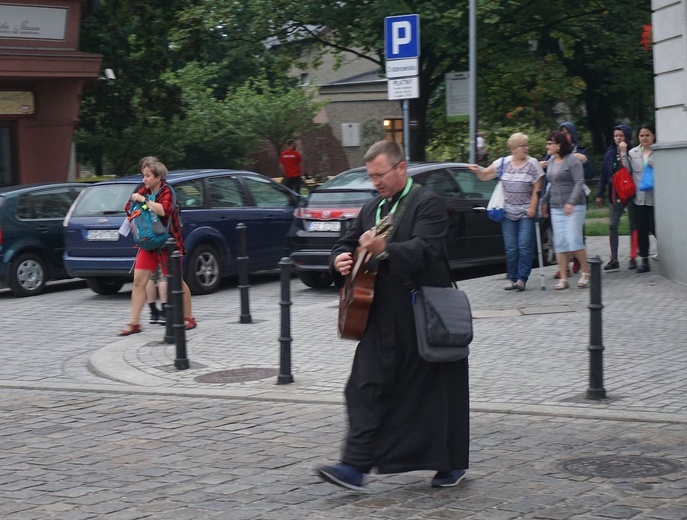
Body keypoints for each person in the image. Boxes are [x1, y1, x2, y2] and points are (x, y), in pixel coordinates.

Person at [317, 140, 470, 491]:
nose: (376, 182)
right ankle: (354, 466)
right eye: (371, 176)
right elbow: (348, 242)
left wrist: (384, 251)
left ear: (401, 168)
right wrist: (337, 258)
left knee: (436, 394)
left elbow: (425, 250)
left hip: (420, 314)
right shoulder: (373, 207)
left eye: (380, 175)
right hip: (379, 315)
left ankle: (451, 463)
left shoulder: (427, 203)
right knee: (363, 386)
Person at [118, 157, 197, 336]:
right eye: (143, 175)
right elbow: (129, 207)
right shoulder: (142, 189)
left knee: (177, 281)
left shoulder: (167, 190)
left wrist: (144, 201)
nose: (144, 179)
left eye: (147, 175)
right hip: (148, 242)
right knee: (139, 281)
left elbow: (164, 210)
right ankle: (134, 323)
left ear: (158, 177)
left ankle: (189, 318)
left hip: (168, 243)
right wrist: (136, 202)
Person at [469, 132, 544, 291]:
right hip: (507, 212)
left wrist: (532, 207)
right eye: (522, 146)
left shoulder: (533, 164)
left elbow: (538, 187)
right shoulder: (502, 163)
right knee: (511, 246)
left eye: (526, 145)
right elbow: (485, 176)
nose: (526, 148)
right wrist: (477, 171)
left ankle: (522, 279)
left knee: (524, 245)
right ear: (512, 148)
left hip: (525, 211)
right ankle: (512, 277)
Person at [541, 131, 591, 290]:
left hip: (575, 206)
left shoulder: (572, 161)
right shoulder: (550, 162)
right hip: (556, 206)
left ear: (559, 145)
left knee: (573, 240)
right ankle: (563, 277)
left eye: (550, 143)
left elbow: (579, 182)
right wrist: (544, 202)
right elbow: (551, 184)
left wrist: (571, 202)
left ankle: (586, 271)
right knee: (560, 242)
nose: (547, 146)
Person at [595, 125, 636, 271]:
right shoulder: (609, 153)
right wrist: (600, 193)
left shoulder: (632, 152)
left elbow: (632, 170)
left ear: (627, 137)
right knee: (612, 225)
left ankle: (633, 256)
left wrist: (624, 152)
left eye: (621, 135)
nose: (618, 138)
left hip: (631, 193)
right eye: (616, 136)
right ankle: (614, 258)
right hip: (615, 193)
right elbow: (604, 174)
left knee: (633, 225)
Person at [621, 124, 656, 274]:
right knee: (641, 230)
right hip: (639, 198)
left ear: (653, 136)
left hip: (656, 198)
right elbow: (627, 170)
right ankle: (645, 260)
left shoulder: (659, 152)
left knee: (656, 228)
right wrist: (623, 153)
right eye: (642, 135)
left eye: (647, 135)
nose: (644, 138)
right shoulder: (633, 152)